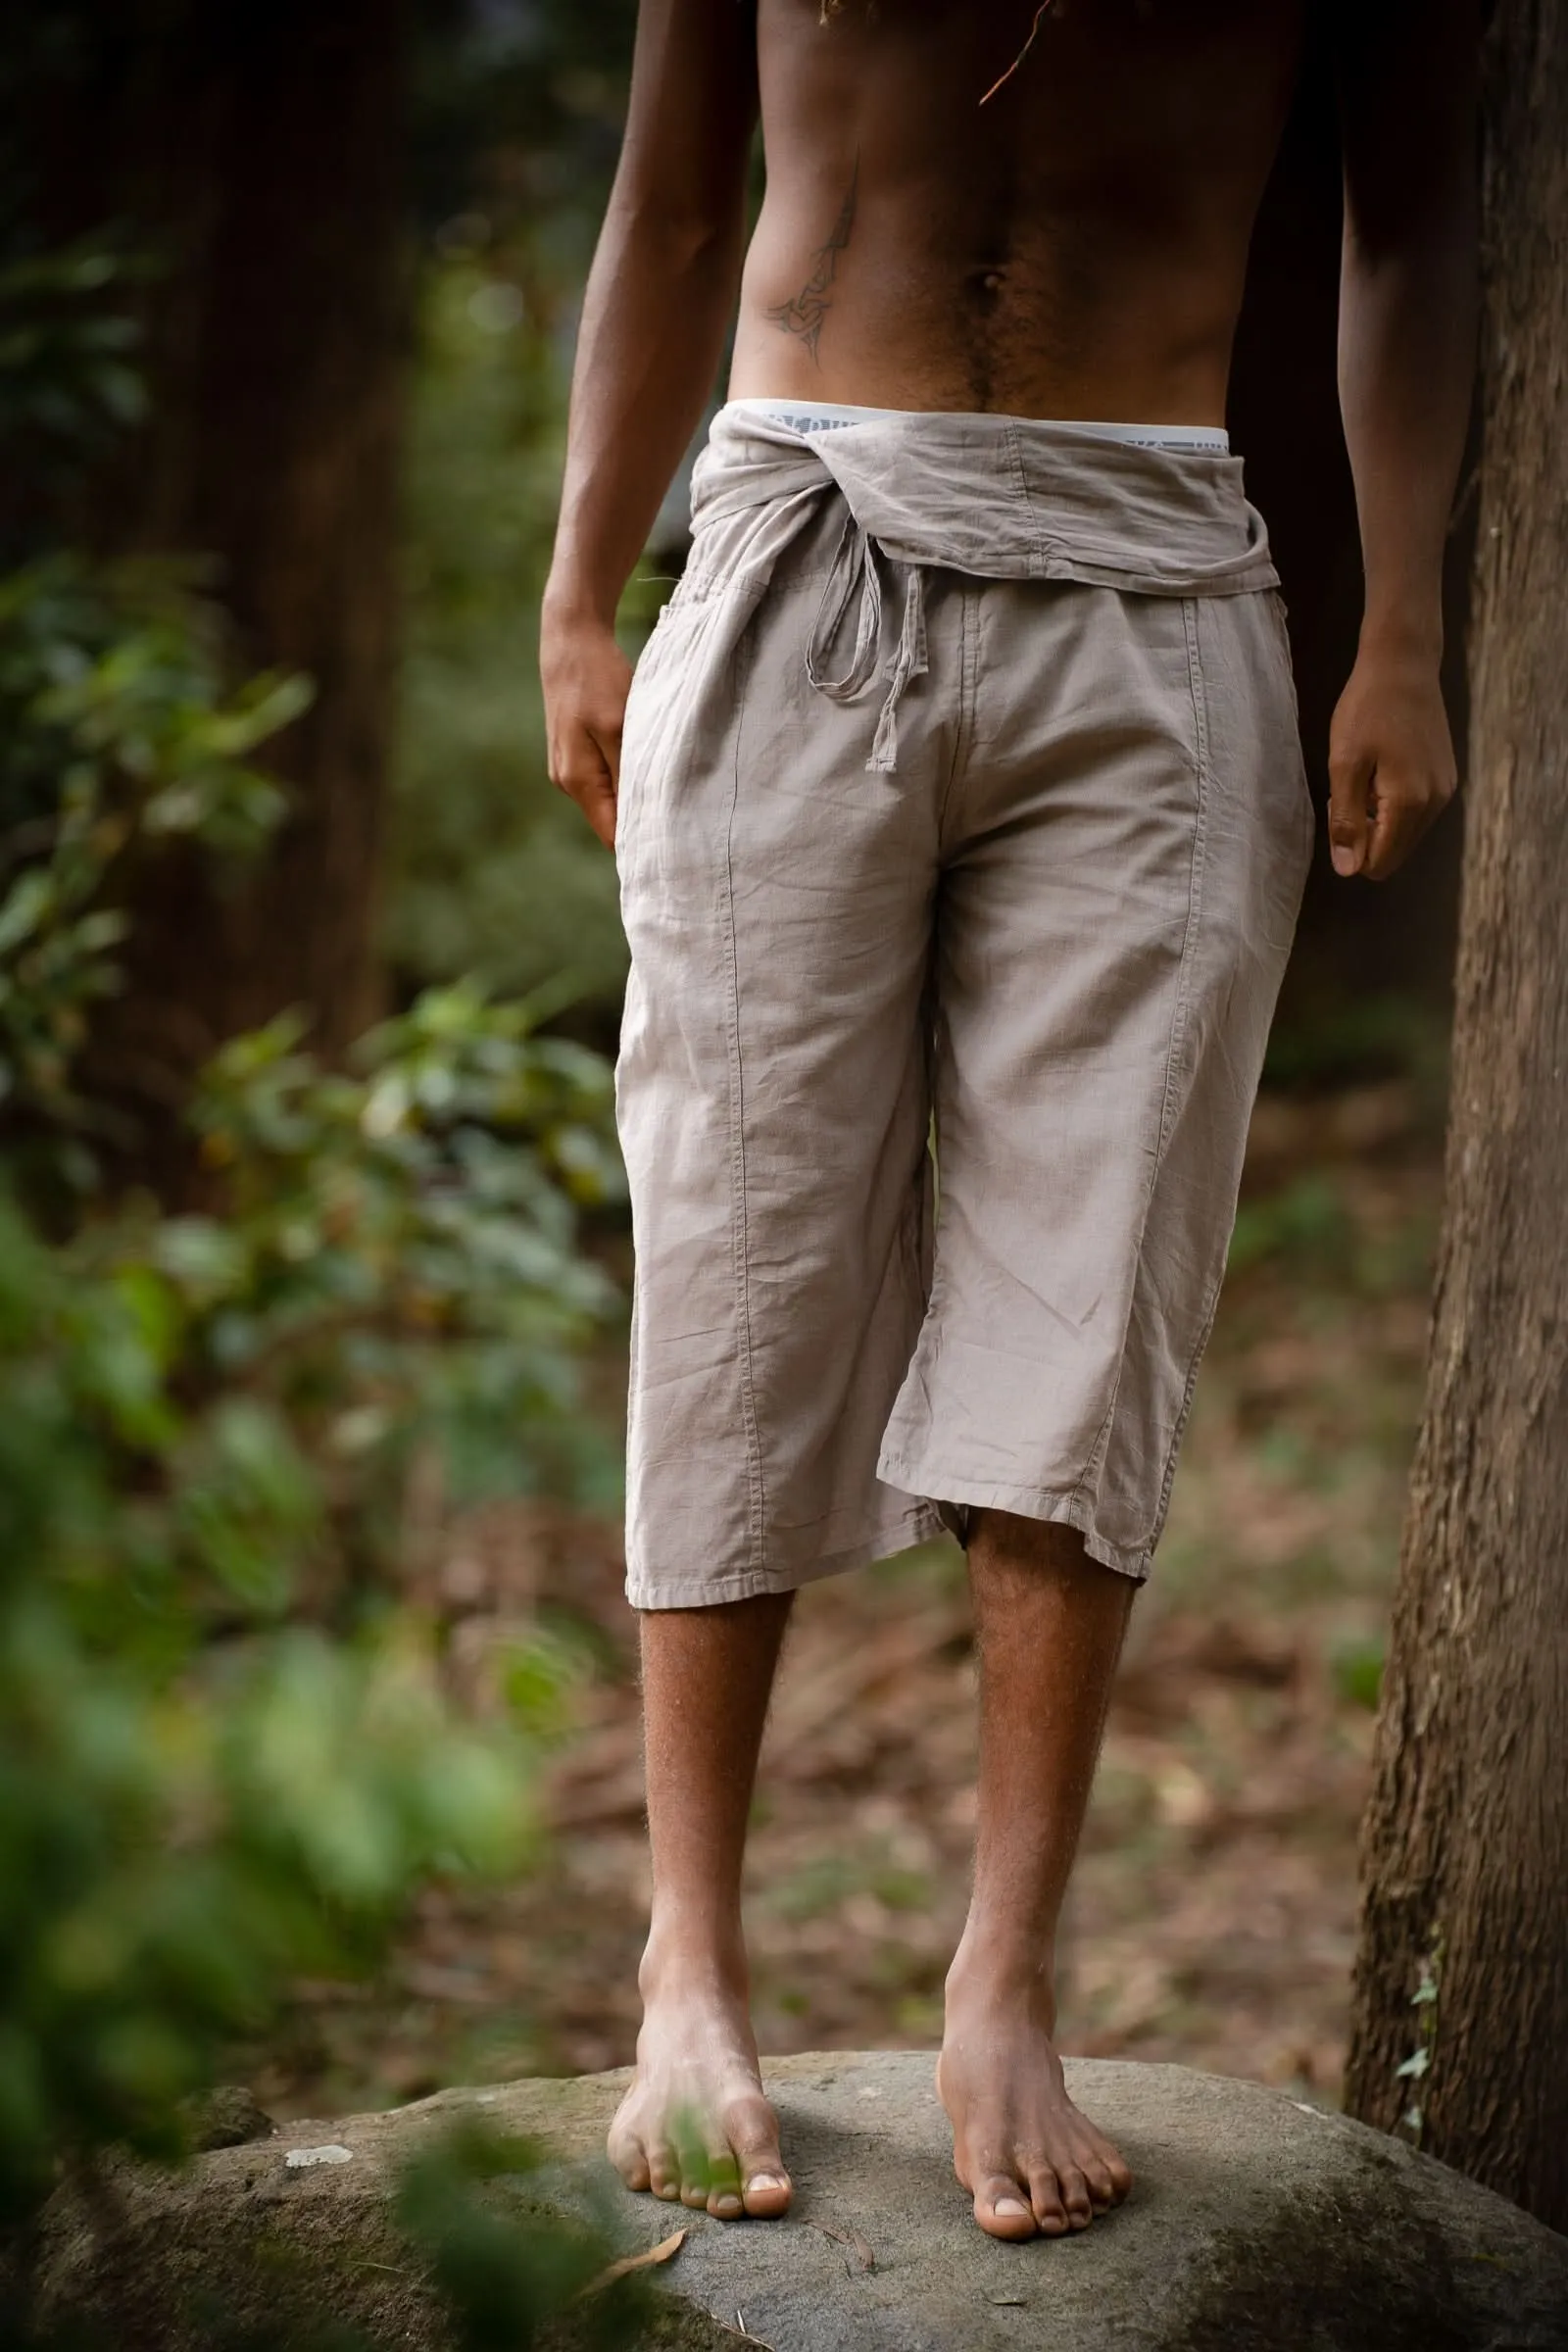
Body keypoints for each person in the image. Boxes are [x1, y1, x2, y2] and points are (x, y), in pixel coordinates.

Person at [540, 0, 1475, 2244]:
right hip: (792, 539)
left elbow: (1407, 225)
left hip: (1154, 587)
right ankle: (690, 1960)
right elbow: (673, 197)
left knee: (1097, 1269)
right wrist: (583, 582)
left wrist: (1404, 626)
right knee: (735, 1250)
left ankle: (1006, 1974)